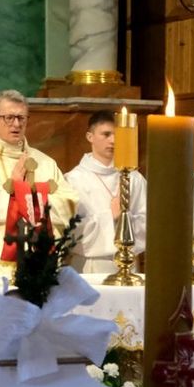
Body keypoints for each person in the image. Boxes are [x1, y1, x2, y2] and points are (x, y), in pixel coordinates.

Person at [0, 90, 76, 276]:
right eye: (9, 118)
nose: (16, 124)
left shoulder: (45, 162)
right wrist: (17, 188)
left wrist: (23, 196)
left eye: (21, 118)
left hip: (39, 258)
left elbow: (69, 204)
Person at [64, 110, 146, 274]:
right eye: (106, 134)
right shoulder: (74, 180)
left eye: (117, 135)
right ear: (90, 137)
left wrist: (125, 218)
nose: (113, 141)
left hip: (130, 265)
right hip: (91, 266)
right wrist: (111, 217)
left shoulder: (135, 178)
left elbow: (150, 223)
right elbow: (71, 230)